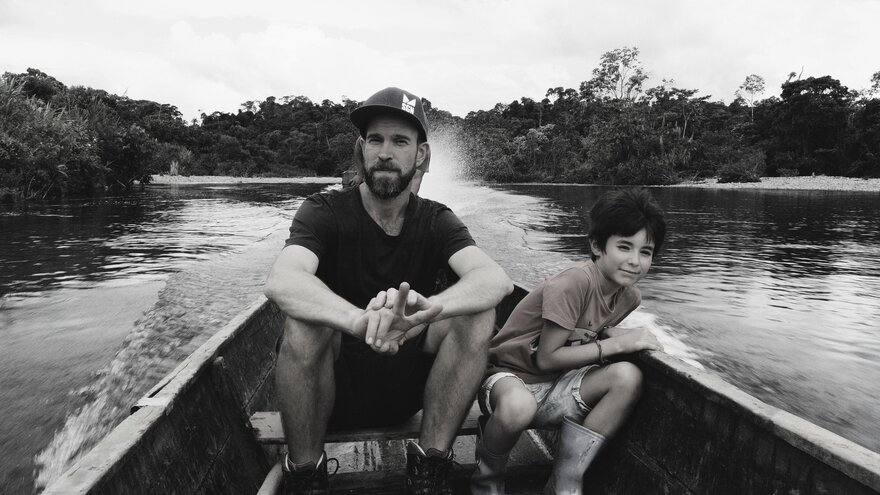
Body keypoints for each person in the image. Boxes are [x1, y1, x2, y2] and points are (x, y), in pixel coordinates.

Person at [264, 86, 513, 495]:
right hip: (331, 396)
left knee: (477, 312)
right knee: (304, 323)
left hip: (410, 392)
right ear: (361, 149)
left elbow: (494, 280)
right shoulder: (323, 212)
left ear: (422, 156)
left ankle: (430, 468)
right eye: (376, 140)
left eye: (400, 141)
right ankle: (306, 474)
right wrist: (359, 321)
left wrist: (424, 313)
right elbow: (283, 280)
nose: (385, 152)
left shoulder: (436, 220)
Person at [471, 188, 667, 495]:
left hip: (557, 385)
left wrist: (609, 334)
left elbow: (587, 329)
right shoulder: (575, 281)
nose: (634, 261)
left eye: (646, 252)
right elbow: (546, 358)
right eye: (625, 247)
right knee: (518, 406)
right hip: (507, 381)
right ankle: (486, 479)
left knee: (628, 378)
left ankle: (564, 480)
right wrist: (618, 344)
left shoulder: (629, 297)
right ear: (597, 246)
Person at [347, 135, 431, 195]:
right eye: (376, 141)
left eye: (401, 142)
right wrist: (360, 174)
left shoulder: (422, 150)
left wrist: (408, 207)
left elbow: (416, 180)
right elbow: (359, 145)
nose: (385, 155)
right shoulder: (367, 139)